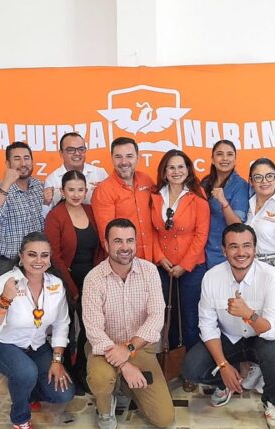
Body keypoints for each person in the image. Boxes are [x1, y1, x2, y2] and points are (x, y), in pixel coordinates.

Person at [182, 223, 275, 429]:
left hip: (261, 336)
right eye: (233, 246)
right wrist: (223, 366)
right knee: (191, 368)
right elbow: (207, 326)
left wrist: (248, 314)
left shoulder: (271, 276)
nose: (241, 253)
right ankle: (227, 381)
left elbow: (273, 330)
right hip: (229, 336)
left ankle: (273, 403)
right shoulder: (211, 277)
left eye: (246, 246)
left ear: (255, 249)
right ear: (224, 250)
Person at [83, 219, 173, 429]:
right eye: (118, 241)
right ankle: (105, 409)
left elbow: (156, 318)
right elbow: (94, 330)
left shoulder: (149, 271)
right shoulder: (94, 278)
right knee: (100, 379)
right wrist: (124, 364)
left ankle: (124, 386)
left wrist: (129, 349)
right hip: (105, 348)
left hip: (140, 347)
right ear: (106, 244)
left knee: (164, 419)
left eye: (130, 240)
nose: (125, 247)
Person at [0, 232, 74, 429]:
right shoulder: (5, 282)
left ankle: (24, 387)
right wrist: (5, 299)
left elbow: (61, 324)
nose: (39, 260)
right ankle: (20, 418)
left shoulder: (55, 284)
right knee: (25, 372)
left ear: (50, 258)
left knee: (63, 394)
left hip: (36, 346)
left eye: (44, 255)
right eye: (32, 254)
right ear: (21, 257)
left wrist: (57, 360)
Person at [150, 150, 210, 391]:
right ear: (164, 172)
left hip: (191, 269)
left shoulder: (198, 198)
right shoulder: (155, 197)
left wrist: (184, 265)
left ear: (188, 171)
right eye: (171, 167)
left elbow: (201, 235)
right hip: (163, 267)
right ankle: (172, 366)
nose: (176, 171)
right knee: (168, 319)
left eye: (180, 167)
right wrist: (160, 257)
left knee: (190, 320)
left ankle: (192, 371)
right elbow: (151, 232)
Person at [44, 170, 105, 394]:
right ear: (62, 191)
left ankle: (83, 371)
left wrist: (97, 278)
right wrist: (72, 288)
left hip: (92, 279)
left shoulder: (90, 211)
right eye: (71, 190)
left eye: (80, 190)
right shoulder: (56, 216)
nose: (76, 194)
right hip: (66, 281)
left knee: (90, 329)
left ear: (86, 191)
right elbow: (55, 256)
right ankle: (67, 374)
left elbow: (100, 247)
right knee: (67, 329)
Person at [241, 158, 275, 393]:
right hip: (252, 272)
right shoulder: (248, 203)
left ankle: (272, 374)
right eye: (258, 177)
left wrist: (273, 277)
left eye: (269, 176)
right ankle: (257, 367)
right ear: (251, 181)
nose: (264, 181)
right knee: (255, 322)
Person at [0, 141, 50, 279]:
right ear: (8, 164)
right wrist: (6, 185)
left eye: (26, 158)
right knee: (6, 294)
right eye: (17, 159)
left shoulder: (40, 187)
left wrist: (47, 203)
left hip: (35, 260)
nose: (23, 163)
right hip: (7, 262)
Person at [92, 137, 155, 261]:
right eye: (118, 157)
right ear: (112, 158)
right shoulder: (103, 190)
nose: (124, 162)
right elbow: (107, 236)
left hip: (154, 260)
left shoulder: (147, 180)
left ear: (137, 157)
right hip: (125, 262)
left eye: (129, 156)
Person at [200, 140, 249, 268]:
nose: (225, 158)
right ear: (212, 159)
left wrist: (224, 202)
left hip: (223, 254)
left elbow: (237, 226)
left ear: (235, 159)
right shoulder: (205, 182)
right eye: (219, 154)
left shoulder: (240, 185)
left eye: (229, 154)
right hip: (201, 252)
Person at [44, 132, 108, 206]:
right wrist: (46, 202)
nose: (77, 153)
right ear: (61, 153)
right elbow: (47, 211)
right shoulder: (52, 180)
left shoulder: (100, 173)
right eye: (71, 150)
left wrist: (105, 191)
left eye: (81, 149)